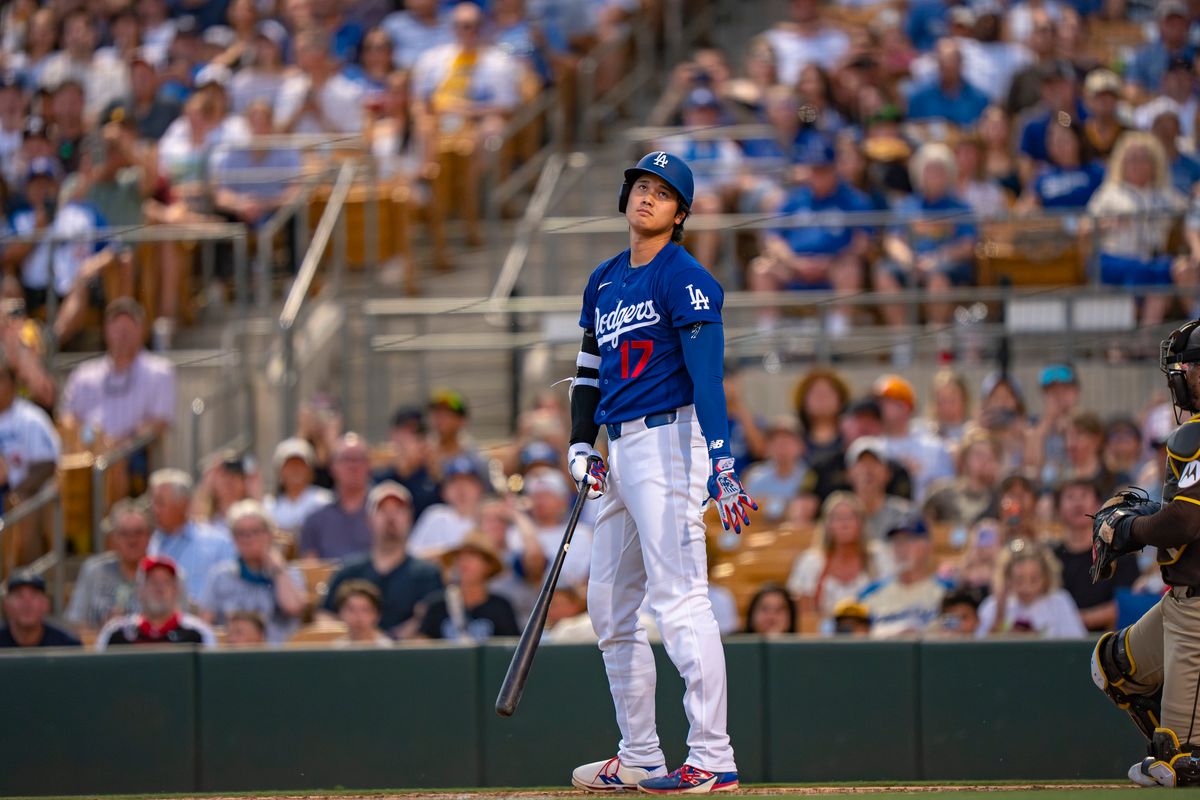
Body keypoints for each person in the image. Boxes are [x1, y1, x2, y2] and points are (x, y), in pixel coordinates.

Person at [566, 152, 753, 793]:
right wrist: (577, 444)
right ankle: (641, 754)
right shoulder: (603, 279)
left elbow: (708, 379)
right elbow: (590, 373)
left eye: (662, 192)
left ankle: (713, 755)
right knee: (610, 611)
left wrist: (723, 461)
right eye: (641, 187)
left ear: (680, 214)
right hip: (618, 450)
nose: (647, 197)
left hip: (671, 440)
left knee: (679, 600)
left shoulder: (686, 276)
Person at [1090, 317, 1200, 786]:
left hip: (1198, 610)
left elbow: (1186, 521)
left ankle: (1185, 741)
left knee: (1178, 765)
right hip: (1180, 603)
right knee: (1114, 666)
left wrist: (1130, 530)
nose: (1180, 376)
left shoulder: (1195, 435)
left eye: (1189, 367)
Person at [319, 481, 444, 638]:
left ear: (410, 518)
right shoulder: (350, 570)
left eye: (398, 510)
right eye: (383, 510)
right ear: (369, 520)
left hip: (407, 656)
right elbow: (324, 615)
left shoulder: (427, 574)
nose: (390, 517)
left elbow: (431, 623)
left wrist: (390, 641)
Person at [60, 298, 175, 444]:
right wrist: (87, 441)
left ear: (142, 330)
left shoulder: (160, 372)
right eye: (117, 325)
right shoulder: (83, 374)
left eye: (129, 326)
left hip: (134, 456)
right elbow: (68, 417)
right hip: (88, 452)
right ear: (106, 329)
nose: (122, 333)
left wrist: (119, 446)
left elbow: (159, 423)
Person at [198, 500, 307, 644]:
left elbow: (293, 607)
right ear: (233, 539)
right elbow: (205, 625)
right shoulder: (220, 575)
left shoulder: (289, 573)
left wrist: (278, 570)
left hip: (277, 654)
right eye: (240, 533)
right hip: (233, 654)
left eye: (255, 531)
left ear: (270, 534)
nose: (248, 539)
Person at [786, 491, 886, 633]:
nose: (844, 524)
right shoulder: (810, 561)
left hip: (874, 634)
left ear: (861, 522)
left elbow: (890, 600)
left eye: (850, 517)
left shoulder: (878, 556)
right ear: (827, 524)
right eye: (837, 518)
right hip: (822, 638)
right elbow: (804, 615)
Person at [1052, 477, 1138, 632]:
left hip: (1109, 639)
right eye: (1070, 497)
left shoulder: (1120, 553)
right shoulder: (1050, 558)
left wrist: (1076, 619)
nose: (1078, 503)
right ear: (1058, 509)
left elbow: (1126, 603)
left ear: (1099, 506)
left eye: (1084, 495)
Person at [65, 498, 153, 632]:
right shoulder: (94, 571)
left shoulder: (162, 572)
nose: (132, 540)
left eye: (138, 532)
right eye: (124, 533)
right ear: (113, 539)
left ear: (149, 537)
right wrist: (104, 634)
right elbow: (76, 622)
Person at [147, 468, 235, 602]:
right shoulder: (150, 542)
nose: (154, 509)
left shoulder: (218, 542)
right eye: (153, 502)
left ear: (183, 504)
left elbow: (229, 590)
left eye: (160, 502)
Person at [95, 555, 218, 648]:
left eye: (166, 582)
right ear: (140, 590)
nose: (159, 589)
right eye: (153, 582)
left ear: (176, 591)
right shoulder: (116, 633)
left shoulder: (198, 633)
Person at [417, 530, 520, 640]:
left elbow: (511, 650)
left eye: (473, 556)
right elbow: (423, 650)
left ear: (488, 566)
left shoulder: (501, 607)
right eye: (460, 557)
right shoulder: (437, 606)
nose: (464, 561)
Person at [858, 519, 950, 639]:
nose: (901, 548)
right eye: (896, 541)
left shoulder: (948, 592)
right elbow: (857, 634)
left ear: (928, 547)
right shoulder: (870, 593)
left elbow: (958, 632)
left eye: (909, 540)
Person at [977, 538, 1085, 638]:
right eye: (1019, 580)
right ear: (1008, 578)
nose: (1026, 588)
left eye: (1034, 580)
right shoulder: (992, 606)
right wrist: (1000, 614)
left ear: (1045, 577)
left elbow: (1075, 641)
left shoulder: (1060, 602)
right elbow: (980, 649)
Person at [298, 433, 374, 560]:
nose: (353, 466)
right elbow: (311, 569)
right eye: (346, 459)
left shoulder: (386, 513)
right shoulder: (315, 519)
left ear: (369, 465)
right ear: (332, 466)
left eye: (358, 459)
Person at [0, 353, 59, 508]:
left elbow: (46, 464)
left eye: (0, 379)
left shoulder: (30, 419)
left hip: (20, 499)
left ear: (13, 382)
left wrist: (15, 493)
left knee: (21, 503)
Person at [407, 454, 487, 559]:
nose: (461, 489)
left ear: (480, 488)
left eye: (468, 482)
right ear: (443, 491)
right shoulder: (435, 515)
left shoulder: (490, 519)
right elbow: (409, 557)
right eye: (454, 483)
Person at [742, 416, 808, 524]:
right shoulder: (754, 477)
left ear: (801, 446)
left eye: (787, 442)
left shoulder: (809, 475)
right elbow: (746, 514)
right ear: (768, 447)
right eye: (777, 442)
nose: (782, 448)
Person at [264, 438, 333, 536]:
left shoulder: (325, 502)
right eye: (289, 466)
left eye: (300, 465)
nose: (295, 470)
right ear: (279, 472)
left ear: (310, 471)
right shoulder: (269, 507)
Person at [0, 571, 80, 648]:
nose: (27, 603)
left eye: (34, 595)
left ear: (46, 604)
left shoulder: (67, 645)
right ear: (6, 604)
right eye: (19, 595)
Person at [333, 580, 393, 647]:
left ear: (377, 614)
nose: (358, 617)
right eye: (351, 610)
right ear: (340, 613)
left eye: (365, 610)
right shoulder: (338, 647)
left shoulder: (387, 647)